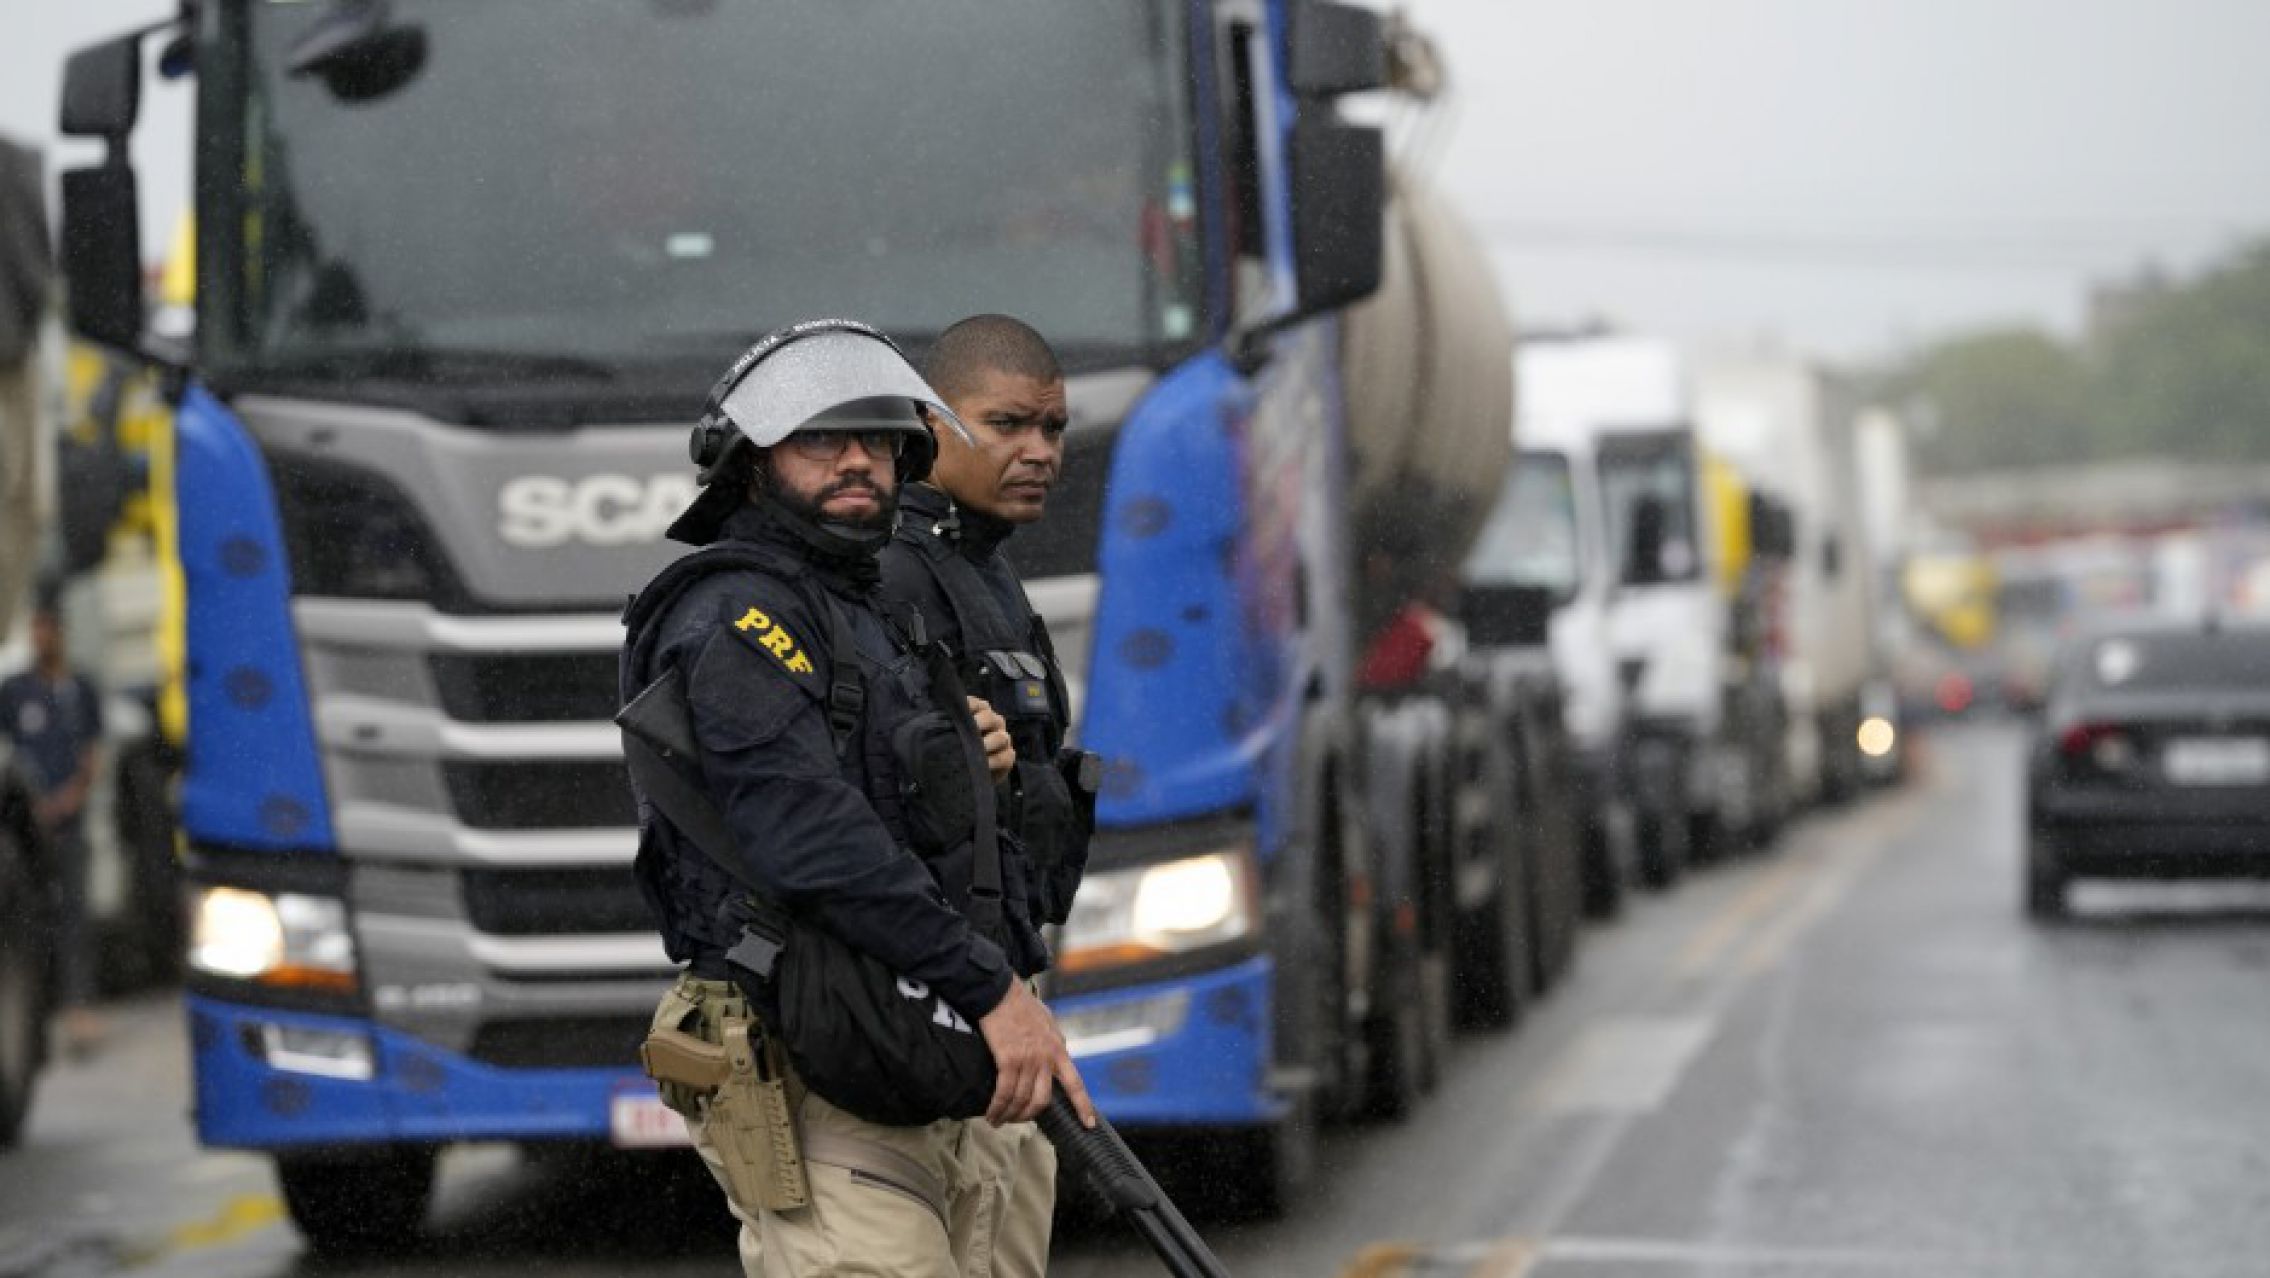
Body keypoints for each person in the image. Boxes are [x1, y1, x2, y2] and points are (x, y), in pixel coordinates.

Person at [620, 319, 1093, 1278]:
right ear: (750, 463)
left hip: (908, 1038)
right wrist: (992, 992)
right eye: (819, 440)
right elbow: (812, 836)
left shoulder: (874, 611)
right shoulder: (734, 614)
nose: (857, 463)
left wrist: (970, 759)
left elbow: (904, 808)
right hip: (811, 1055)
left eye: (878, 441)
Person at [879, 314, 1098, 1276]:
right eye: (1006, 424)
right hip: (933, 998)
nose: (1037, 452)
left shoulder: (991, 575)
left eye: (1052, 430)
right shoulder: (888, 573)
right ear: (932, 423)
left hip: (1008, 990)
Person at [0, 597, 104, 1056]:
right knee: (34, 917)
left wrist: (70, 798)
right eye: (37, 628)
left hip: (70, 821)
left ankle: (78, 1008)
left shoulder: (79, 688)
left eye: (49, 629)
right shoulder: (16, 691)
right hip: (32, 825)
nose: (43, 637)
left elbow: (92, 752)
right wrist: (35, 806)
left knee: (74, 915)